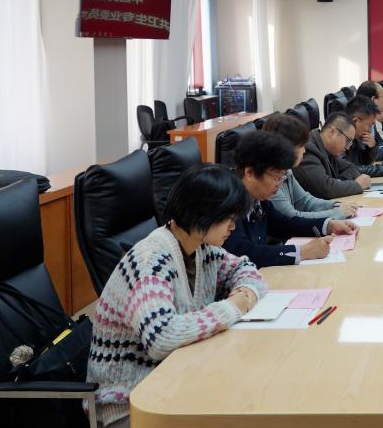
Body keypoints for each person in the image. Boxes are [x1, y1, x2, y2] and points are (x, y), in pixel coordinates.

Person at [87, 164, 267, 426]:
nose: (233, 225)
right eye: (227, 217)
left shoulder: (202, 249)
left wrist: (245, 293)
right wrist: (233, 307)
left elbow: (245, 269)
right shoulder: (151, 261)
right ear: (202, 213)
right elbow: (161, 337)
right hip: (131, 405)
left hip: (177, 381)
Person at [225, 130, 357, 267]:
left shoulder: (258, 199)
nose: (279, 184)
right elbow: (243, 252)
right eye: (276, 178)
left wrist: (328, 225)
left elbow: (285, 224)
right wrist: (302, 252)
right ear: (250, 173)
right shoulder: (227, 202)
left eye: (282, 177)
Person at [261, 113, 357, 220]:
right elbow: (291, 217)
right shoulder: (268, 178)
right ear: (286, 147)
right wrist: (336, 213)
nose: (304, 150)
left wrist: (335, 205)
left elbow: (306, 201)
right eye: (301, 146)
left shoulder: (287, 171)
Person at [294, 112, 372, 198]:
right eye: (348, 141)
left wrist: (338, 183)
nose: (348, 147)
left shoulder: (327, 149)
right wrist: (357, 185)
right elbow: (325, 189)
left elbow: (351, 168)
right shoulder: (308, 150)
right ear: (332, 132)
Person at [344, 95, 383, 177]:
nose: (370, 130)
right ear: (356, 121)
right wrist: (382, 170)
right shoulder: (341, 139)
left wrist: (371, 148)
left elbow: (364, 164)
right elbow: (347, 170)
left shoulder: (355, 139)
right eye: (369, 126)